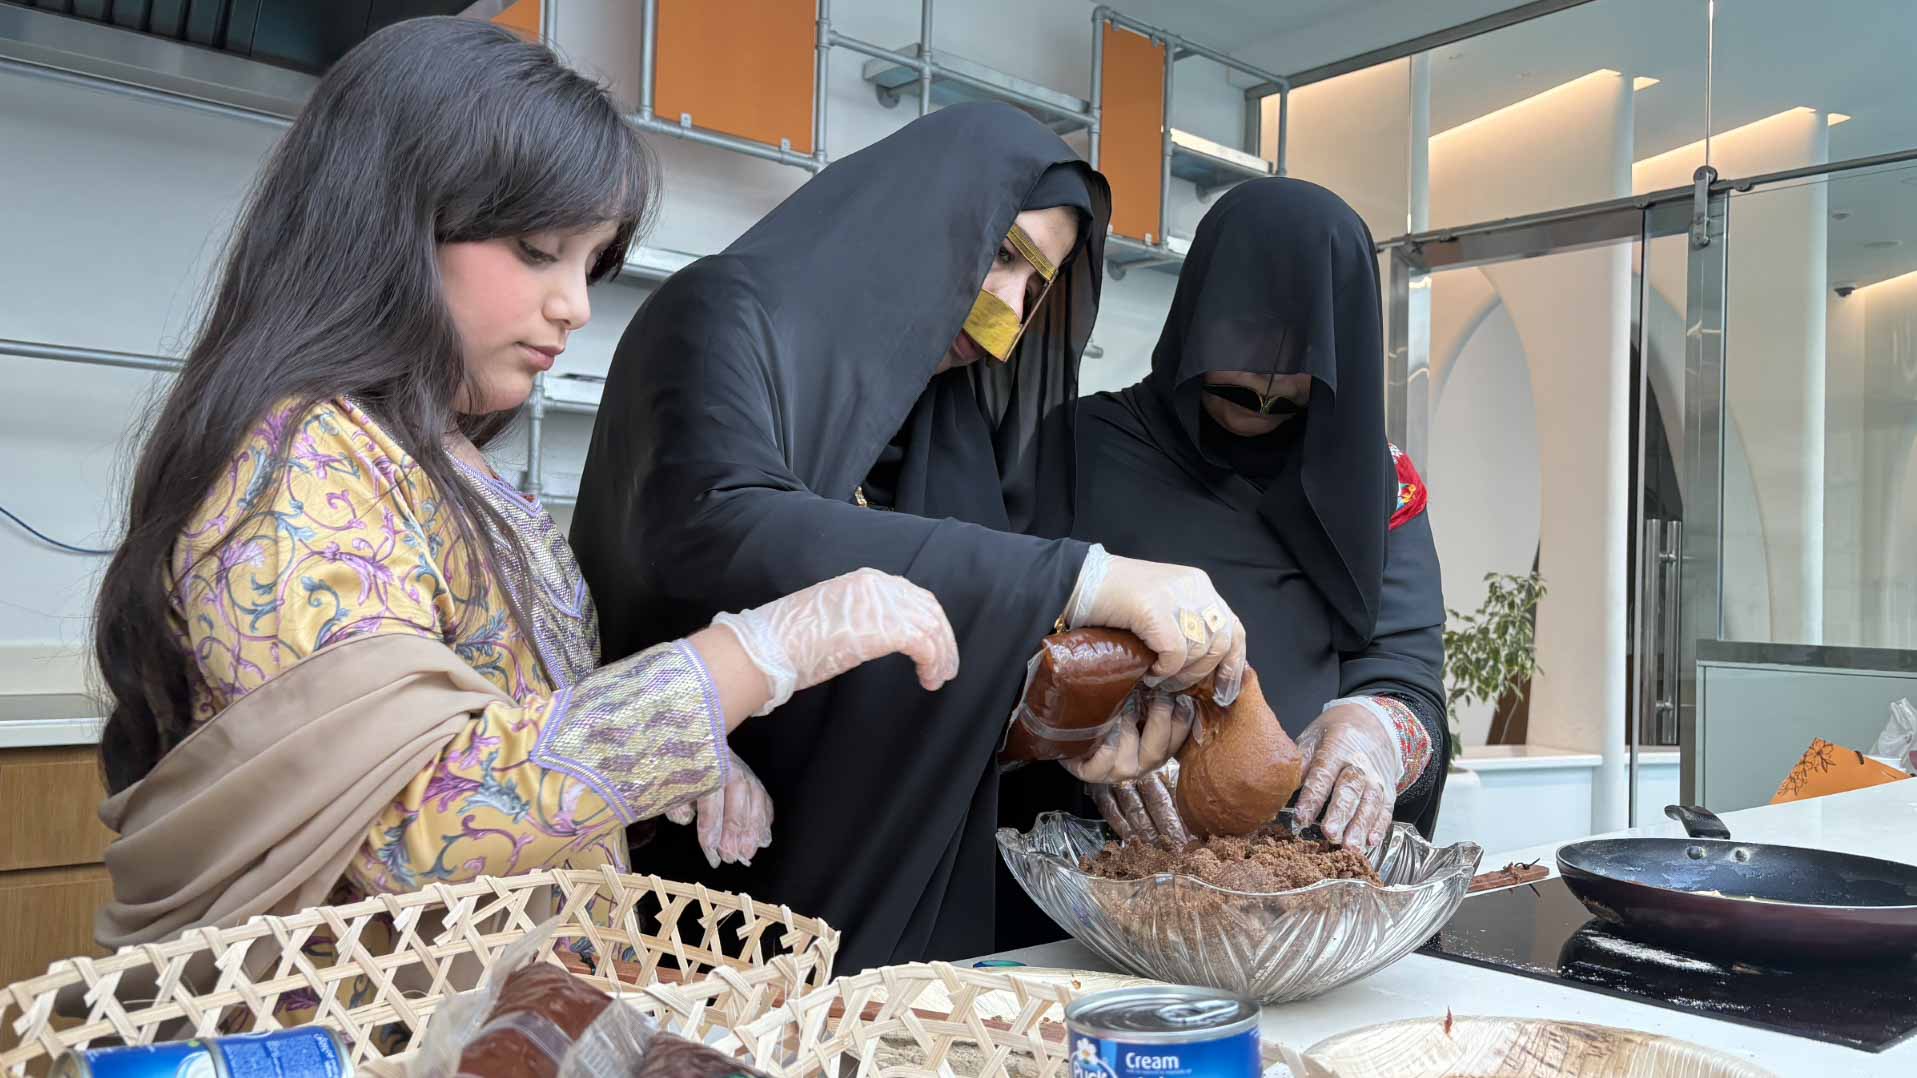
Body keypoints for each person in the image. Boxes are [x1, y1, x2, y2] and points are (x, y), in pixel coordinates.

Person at [87, 16, 958, 957]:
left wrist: (680, 749)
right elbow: (415, 828)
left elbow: (505, 713)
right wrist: (751, 657)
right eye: (540, 250)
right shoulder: (305, 462)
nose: (574, 306)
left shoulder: (433, 457)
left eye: (592, 262)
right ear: (393, 221)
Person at [570, 102, 1247, 972]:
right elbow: (715, 526)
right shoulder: (723, 314)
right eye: (1000, 255)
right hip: (700, 875)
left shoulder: (948, 421)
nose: (1007, 309)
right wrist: (1083, 579)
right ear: (921, 216)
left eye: (1035, 289)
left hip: (891, 897)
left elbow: (947, 654)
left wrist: (1058, 730)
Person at [1073, 178, 1448, 853]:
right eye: (1230, 390)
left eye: (1293, 401)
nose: (1259, 410)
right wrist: (1087, 715)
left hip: (1293, 858)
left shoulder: (1380, 486)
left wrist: (1374, 732)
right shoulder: (1076, 448)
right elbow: (1010, 617)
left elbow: (1403, 663)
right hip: (1105, 853)